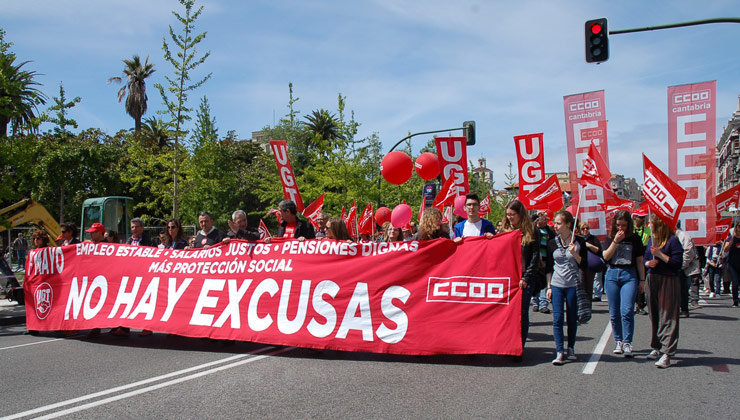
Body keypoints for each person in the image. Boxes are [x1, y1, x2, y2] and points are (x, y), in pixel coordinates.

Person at [546, 210, 587, 365]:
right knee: (557, 319)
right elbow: (549, 266)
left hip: (572, 285)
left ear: (568, 224)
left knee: (571, 317)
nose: (555, 226)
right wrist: (549, 286)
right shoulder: (552, 242)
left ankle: (571, 347)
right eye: (555, 223)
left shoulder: (579, 242)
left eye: (558, 223)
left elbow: (585, 264)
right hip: (557, 284)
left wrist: (575, 254)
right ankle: (559, 351)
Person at [601, 210, 645, 358]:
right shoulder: (610, 237)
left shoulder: (635, 238)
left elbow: (639, 262)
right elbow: (606, 257)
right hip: (613, 273)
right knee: (614, 312)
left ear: (629, 225)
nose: (621, 228)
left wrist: (642, 281)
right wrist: (615, 241)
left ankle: (627, 342)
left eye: (624, 225)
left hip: (629, 274)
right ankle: (618, 340)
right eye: (618, 225)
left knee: (626, 310)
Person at [499, 200, 540, 352]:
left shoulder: (531, 230)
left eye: (512, 215)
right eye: (508, 215)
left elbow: (535, 257)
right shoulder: (505, 230)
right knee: (507, 314)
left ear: (520, 214)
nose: (509, 218)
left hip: (524, 278)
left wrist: (526, 278)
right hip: (508, 278)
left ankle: (519, 347)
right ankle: (508, 345)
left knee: (522, 313)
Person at [644, 214, 683, 369]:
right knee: (654, 313)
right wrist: (649, 263)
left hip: (668, 279)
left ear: (659, 224)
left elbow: (677, 263)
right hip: (652, 278)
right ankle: (657, 346)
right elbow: (646, 258)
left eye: (651, 222)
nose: (649, 224)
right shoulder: (651, 240)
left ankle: (667, 352)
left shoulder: (673, 241)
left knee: (668, 315)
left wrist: (661, 255)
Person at [675, 224, 702, 316]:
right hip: (675, 266)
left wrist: (682, 265)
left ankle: (684, 309)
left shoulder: (683, 235)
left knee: (682, 288)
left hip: (683, 267)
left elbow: (688, 252)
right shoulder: (673, 235)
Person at [532, 212, 556, 314]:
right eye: (543, 219)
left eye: (546, 219)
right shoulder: (534, 229)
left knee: (544, 282)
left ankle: (543, 304)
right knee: (535, 281)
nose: (545, 221)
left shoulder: (549, 231)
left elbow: (553, 240)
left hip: (547, 258)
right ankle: (535, 302)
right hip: (536, 259)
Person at [632, 210, 651, 315]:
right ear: (635, 218)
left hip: (643, 256)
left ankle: (640, 305)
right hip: (632, 256)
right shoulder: (631, 230)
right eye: (640, 217)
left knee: (642, 281)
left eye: (644, 218)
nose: (643, 220)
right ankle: (632, 303)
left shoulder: (647, 230)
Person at [723, 224, 740, 307]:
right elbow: (725, 250)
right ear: (736, 228)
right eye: (739, 226)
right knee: (735, 282)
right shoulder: (731, 238)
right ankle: (735, 300)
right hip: (732, 264)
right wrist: (729, 244)